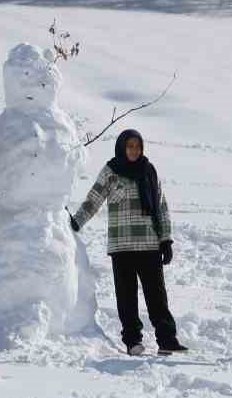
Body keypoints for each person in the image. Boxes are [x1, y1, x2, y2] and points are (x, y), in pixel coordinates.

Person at [69, 128, 187, 356]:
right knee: (127, 298)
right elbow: (93, 201)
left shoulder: (149, 170)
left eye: (138, 147)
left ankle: (167, 340)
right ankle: (133, 342)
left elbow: (161, 206)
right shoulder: (111, 172)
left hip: (149, 245)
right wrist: (76, 221)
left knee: (157, 297)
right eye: (130, 146)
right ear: (122, 148)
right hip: (122, 247)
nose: (134, 151)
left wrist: (166, 240)